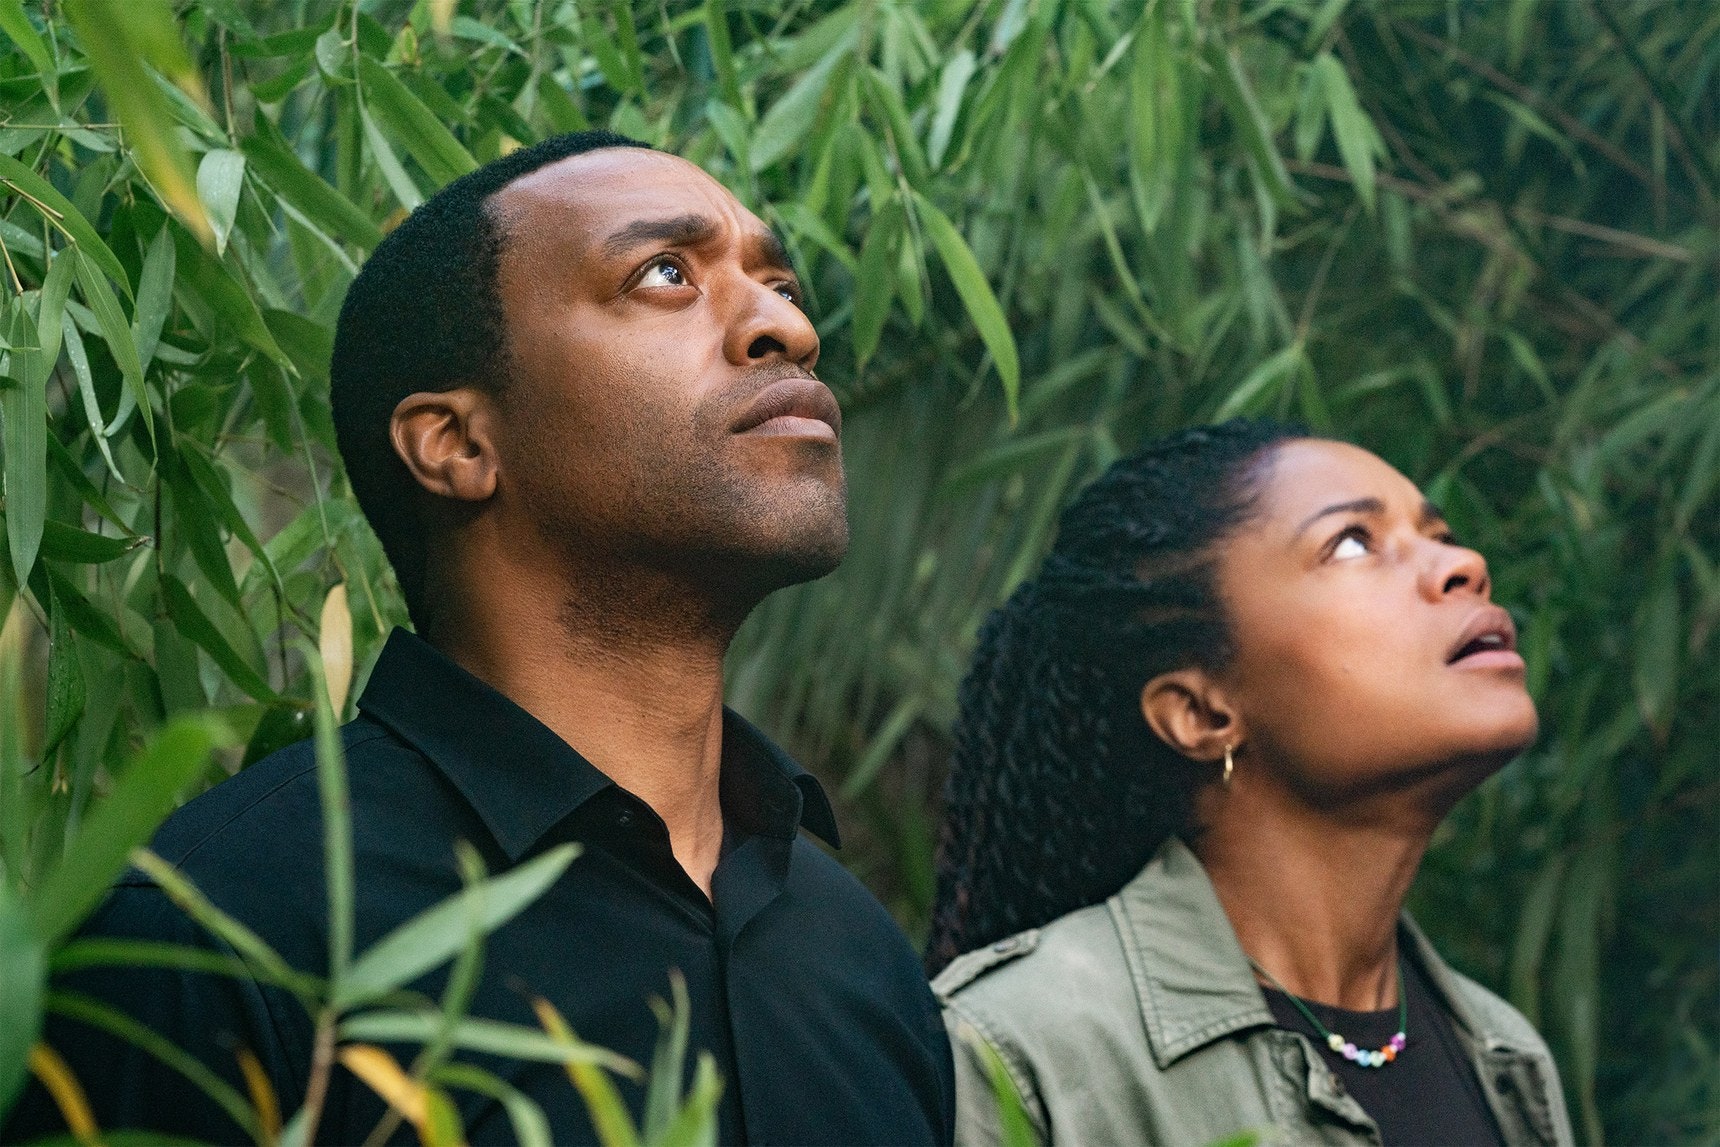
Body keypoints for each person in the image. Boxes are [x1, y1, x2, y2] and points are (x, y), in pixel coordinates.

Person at [8, 132, 953, 1144]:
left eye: (779, 281)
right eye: (666, 273)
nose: (787, 327)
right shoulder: (214, 940)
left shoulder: (860, 958)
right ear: (458, 444)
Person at [927, 419, 1573, 1146]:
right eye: (1353, 542)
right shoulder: (1024, 1050)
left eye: (1441, 533)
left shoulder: (1506, 1055)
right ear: (1202, 711)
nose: (1465, 565)